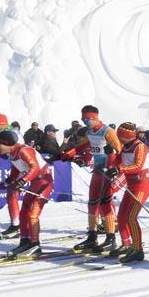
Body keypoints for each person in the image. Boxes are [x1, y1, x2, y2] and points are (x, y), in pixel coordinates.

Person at [62, 105, 122, 253]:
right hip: (98, 170)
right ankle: (92, 237)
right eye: (83, 119)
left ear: (95, 117)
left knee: (105, 203)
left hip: (108, 171)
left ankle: (110, 238)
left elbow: (120, 151)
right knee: (92, 202)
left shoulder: (107, 131)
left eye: (86, 119)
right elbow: (85, 147)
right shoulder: (89, 131)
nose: (84, 121)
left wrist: (113, 161)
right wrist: (67, 155)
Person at [0, 130, 54, 258]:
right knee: (23, 213)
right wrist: (7, 182)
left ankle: (35, 245)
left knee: (33, 214)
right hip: (35, 183)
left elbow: (35, 168)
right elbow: (16, 172)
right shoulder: (13, 153)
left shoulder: (23, 151)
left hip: (44, 182)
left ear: (6, 143)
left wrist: (21, 181)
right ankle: (25, 241)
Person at [107, 122, 149, 263]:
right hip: (131, 185)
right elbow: (116, 163)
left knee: (132, 217)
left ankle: (138, 250)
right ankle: (127, 244)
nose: (118, 139)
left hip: (141, 185)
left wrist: (119, 169)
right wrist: (110, 154)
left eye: (120, 136)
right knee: (121, 217)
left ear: (126, 136)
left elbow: (137, 166)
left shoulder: (140, 146)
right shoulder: (125, 147)